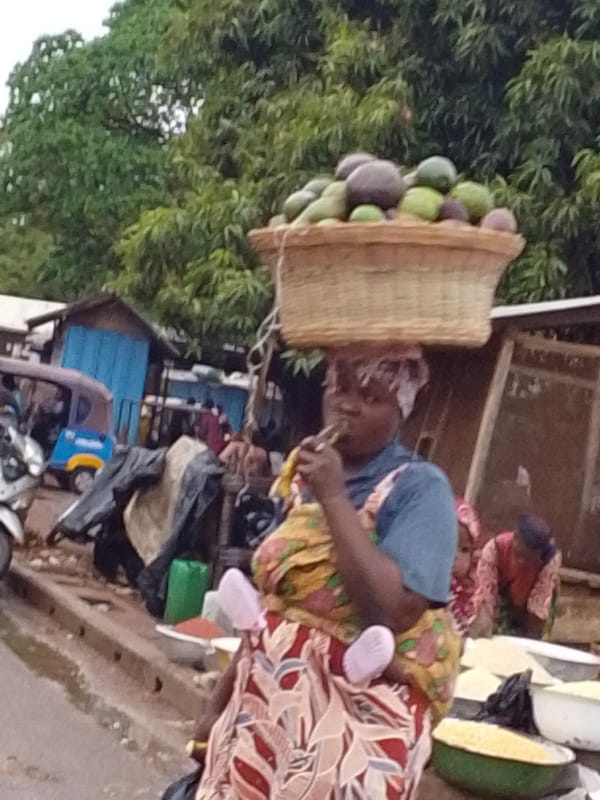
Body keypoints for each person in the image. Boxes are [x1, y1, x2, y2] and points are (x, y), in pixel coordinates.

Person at [191, 348, 460, 799]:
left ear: (402, 408)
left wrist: (335, 499)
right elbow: (277, 613)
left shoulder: (419, 488)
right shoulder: (304, 482)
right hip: (266, 715)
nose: (347, 406)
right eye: (339, 388)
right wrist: (218, 704)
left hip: (354, 732)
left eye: (371, 396)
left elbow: (394, 610)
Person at [471, 512, 561, 640]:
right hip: (503, 592)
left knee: (534, 637)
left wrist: (530, 644)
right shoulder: (494, 548)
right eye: (519, 555)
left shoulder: (550, 560)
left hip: (534, 597)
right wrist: (484, 630)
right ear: (515, 538)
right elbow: (485, 595)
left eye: (528, 558)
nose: (522, 562)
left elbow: (538, 608)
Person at [448, 498, 483, 636]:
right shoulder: (432, 586)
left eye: (464, 550)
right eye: (449, 546)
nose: (455, 557)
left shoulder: (474, 588)